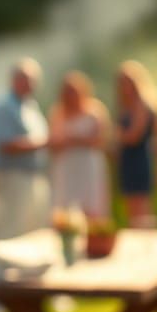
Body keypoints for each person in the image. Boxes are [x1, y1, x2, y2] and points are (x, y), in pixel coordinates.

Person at [0, 57, 50, 239]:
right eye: (26, 79)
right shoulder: (3, 106)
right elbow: (5, 144)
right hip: (13, 175)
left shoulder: (30, 106)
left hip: (34, 175)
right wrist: (44, 142)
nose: (30, 84)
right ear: (14, 80)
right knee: (13, 227)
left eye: (33, 80)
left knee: (33, 227)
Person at [48, 70, 112, 221]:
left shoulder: (95, 111)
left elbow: (102, 140)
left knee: (91, 206)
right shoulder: (57, 112)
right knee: (66, 208)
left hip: (88, 166)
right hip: (67, 166)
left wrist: (75, 139)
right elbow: (53, 142)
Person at [114, 60, 157, 228]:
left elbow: (134, 136)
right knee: (131, 210)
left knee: (142, 209)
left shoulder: (143, 104)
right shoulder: (125, 106)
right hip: (128, 160)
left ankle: (148, 242)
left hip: (139, 159)